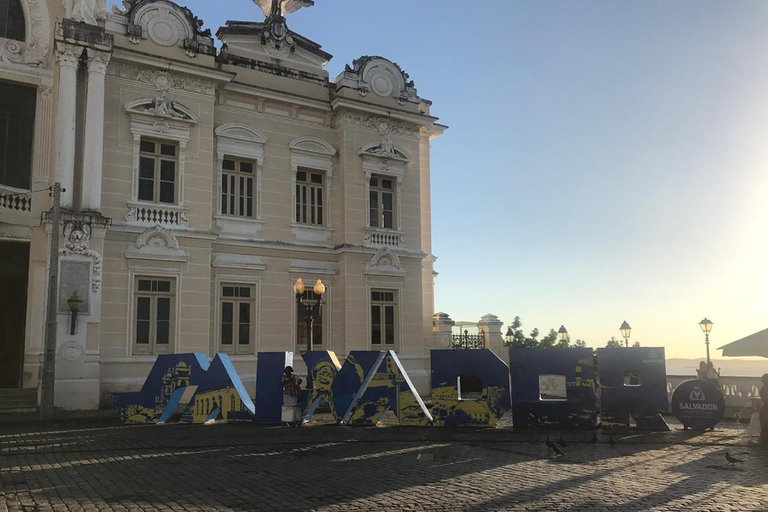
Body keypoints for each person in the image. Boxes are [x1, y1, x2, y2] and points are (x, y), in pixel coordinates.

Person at [760, 373, 768, 445]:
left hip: (765, 408)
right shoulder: (764, 389)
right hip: (766, 409)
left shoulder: (764, 388)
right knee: (765, 426)